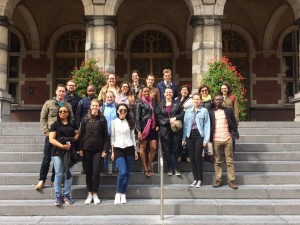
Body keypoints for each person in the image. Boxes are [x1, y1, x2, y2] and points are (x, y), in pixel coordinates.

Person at [35, 84, 74, 190]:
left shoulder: (68, 105)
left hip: (62, 137)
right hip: (50, 136)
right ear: (56, 92)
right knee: (47, 158)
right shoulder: (48, 104)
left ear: (65, 93)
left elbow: (71, 119)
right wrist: (45, 131)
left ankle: (53, 180)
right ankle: (42, 180)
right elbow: (43, 118)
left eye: (63, 91)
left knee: (58, 158)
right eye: (59, 91)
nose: (61, 93)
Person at [79, 99, 109, 204]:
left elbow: (106, 136)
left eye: (96, 106)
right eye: (93, 105)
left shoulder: (102, 120)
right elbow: (81, 135)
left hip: (98, 150)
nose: (95, 107)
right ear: (90, 107)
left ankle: (95, 193)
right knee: (88, 172)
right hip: (86, 149)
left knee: (96, 172)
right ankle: (89, 193)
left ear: (99, 107)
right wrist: (80, 148)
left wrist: (105, 149)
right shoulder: (85, 119)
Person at [49, 105, 79, 206]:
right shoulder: (55, 124)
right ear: (58, 113)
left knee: (69, 174)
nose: (62, 113)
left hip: (70, 151)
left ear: (68, 113)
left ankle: (66, 195)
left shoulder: (73, 123)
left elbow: (77, 133)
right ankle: (58, 196)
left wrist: (73, 140)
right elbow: (51, 139)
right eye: (60, 111)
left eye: (65, 111)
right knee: (58, 174)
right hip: (57, 151)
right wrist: (62, 146)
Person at [209, 94, 238, 189]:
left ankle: (231, 180)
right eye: (216, 100)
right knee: (217, 161)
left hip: (227, 138)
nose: (218, 101)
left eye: (220, 100)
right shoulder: (211, 112)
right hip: (216, 139)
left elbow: (234, 123)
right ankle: (218, 180)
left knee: (229, 161)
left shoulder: (228, 111)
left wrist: (232, 135)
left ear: (223, 101)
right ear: (213, 101)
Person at [111, 103, 138, 204]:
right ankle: (118, 193)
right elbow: (112, 138)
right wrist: (112, 151)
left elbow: (133, 137)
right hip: (118, 148)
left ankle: (123, 193)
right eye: (121, 110)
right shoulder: (114, 122)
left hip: (129, 147)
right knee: (122, 172)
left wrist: (135, 150)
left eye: (125, 110)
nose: (123, 112)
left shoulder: (130, 122)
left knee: (127, 173)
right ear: (117, 111)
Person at [182, 93, 210, 188]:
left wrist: (206, 139)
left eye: (198, 99)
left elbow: (207, 125)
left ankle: (200, 179)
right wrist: (184, 138)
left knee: (198, 157)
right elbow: (185, 126)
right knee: (192, 158)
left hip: (199, 135)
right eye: (194, 99)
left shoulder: (204, 111)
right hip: (190, 135)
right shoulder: (188, 111)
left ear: (200, 100)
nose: (196, 101)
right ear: (192, 100)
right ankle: (195, 179)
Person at [156, 87, 183, 176]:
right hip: (165, 130)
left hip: (175, 130)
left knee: (175, 149)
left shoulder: (177, 104)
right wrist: (168, 121)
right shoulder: (160, 105)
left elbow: (182, 114)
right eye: (167, 92)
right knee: (167, 150)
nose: (168, 94)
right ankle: (170, 168)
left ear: (172, 93)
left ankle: (176, 168)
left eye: (170, 92)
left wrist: (175, 118)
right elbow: (158, 117)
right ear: (164, 94)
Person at [136, 86, 159, 177]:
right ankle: (145, 169)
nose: (146, 93)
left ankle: (149, 165)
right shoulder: (139, 103)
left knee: (153, 147)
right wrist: (138, 131)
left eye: (147, 91)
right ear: (141, 93)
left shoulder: (152, 103)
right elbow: (137, 118)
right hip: (143, 126)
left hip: (152, 127)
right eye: (144, 91)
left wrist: (157, 125)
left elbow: (155, 115)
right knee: (143, 148)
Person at [75, 85, 97, 174]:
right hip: (85, 127)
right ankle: (85, 167)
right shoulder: (82, 101)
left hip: (96, 127)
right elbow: (78, 115)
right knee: (84, 147)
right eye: (89, 91)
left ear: (95, 91)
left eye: (92, 90)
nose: (91, 92)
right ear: (87, 92)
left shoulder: (99, 101)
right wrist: (78, 127)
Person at [174, 85, 193, 162]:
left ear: (188, 92)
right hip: (178, 122)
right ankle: (179, 155)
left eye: (186, 90)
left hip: (188, 122)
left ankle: (187, 155)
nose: (184, 91)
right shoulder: (176, 99)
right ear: (180, 91)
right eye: (183, 89)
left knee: (187, 139)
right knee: (179, 139)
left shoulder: (191, 100)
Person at [101, 91, 117, 175]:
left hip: (115, 133)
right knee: (105, 151)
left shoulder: (117, 107)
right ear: (105, 98)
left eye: (111, 97)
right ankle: (105, 169)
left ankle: (114, 169)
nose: (109, 99)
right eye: (108, 97)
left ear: (114, 98)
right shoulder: (102, 108)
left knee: (115, 151)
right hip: (105, 133)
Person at [220, 83, 239, 154]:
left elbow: (236, 110)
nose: (224, 90)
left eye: (225, 88)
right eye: (222, 88)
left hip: (231, 121)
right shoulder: (219, 97)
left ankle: (230, 154)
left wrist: (236, 122)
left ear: (228, 89)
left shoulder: (232, 97)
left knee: (231, 138)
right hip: (221, 121)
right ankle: (223, 154)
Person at [199, 85, 214, 163]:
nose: (204, 92)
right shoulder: (198, 99)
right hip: (200, 122)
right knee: (201, 138)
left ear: (208, 91)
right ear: (200, 91)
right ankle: (201, 155)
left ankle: (210, 155)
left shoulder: (212, 100)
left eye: (206, 90)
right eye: (202, 90)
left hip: (209, 121)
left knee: (209, 138)